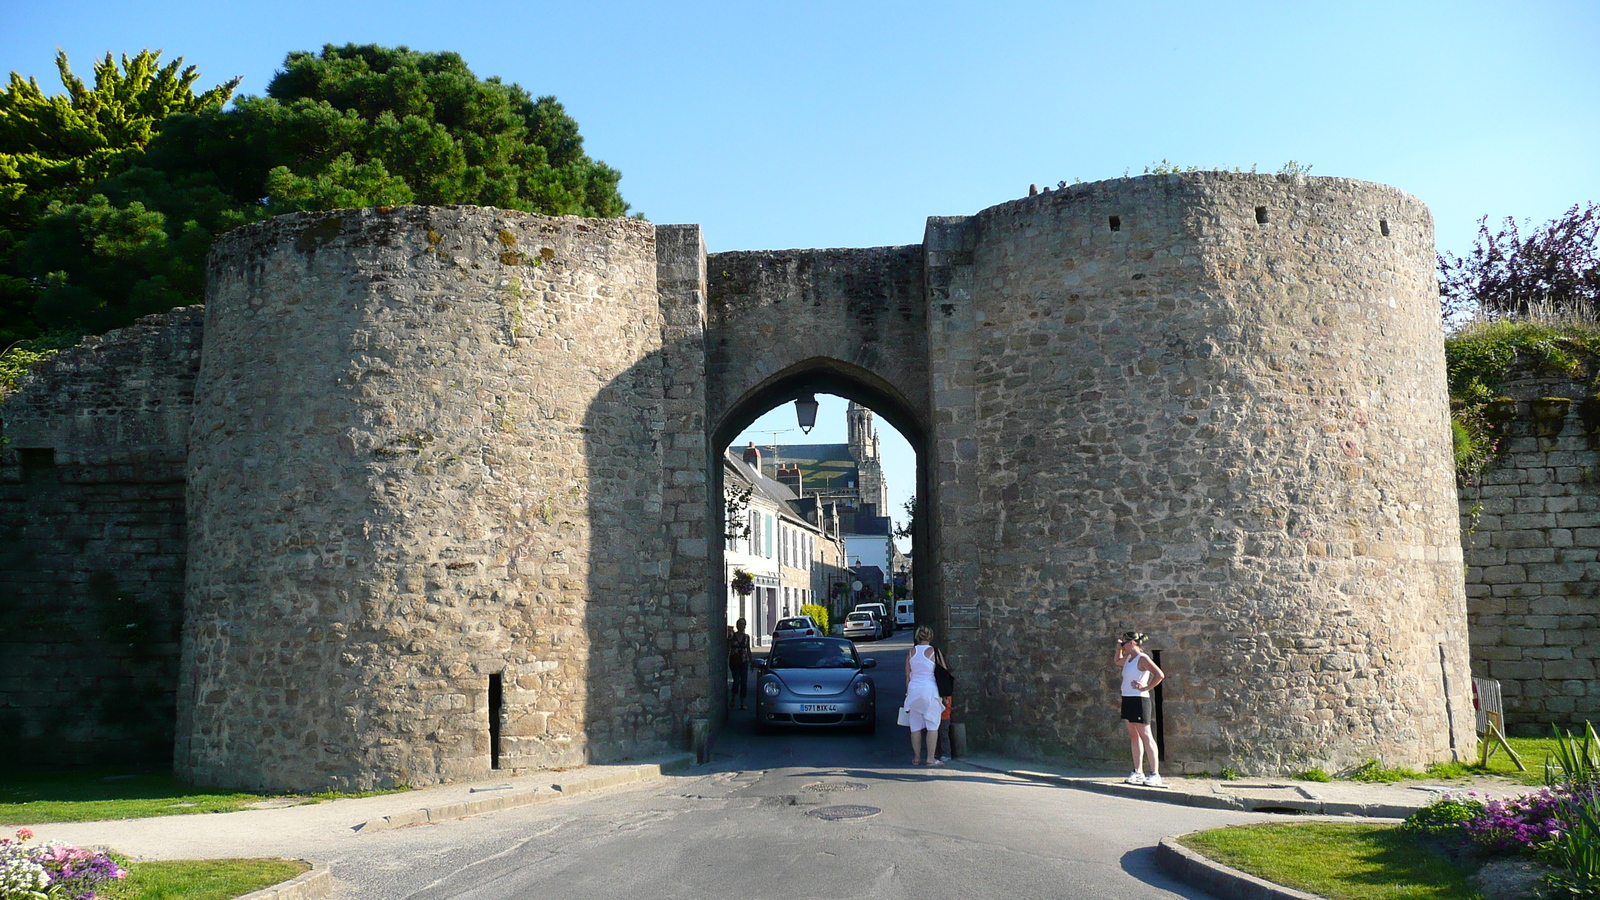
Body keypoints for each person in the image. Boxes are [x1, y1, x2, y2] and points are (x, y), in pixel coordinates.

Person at [1115, 631, 1165, 786]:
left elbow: (1159, 674)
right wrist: (1119, 649)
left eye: (1123, 643)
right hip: (1128, 698)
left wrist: (1146, 687)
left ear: (1131, 643)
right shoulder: (1129, 658)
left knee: (1145, 735)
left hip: (1139, 700)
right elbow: (1117, 661)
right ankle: (1138, 772)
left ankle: (1155, 774)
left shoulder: (1143, 658)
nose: (1121, 645)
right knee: (1133, 735)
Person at [904, 625, 945, 766]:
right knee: (932, 725)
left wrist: (908, 694)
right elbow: (943, 673)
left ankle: (916, 758)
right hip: (930, 691)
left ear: (917, 636)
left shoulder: (911, 652)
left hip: (914, 690)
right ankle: (930, 758)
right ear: (931, 636)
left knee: (915, 726)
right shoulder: (935, 652)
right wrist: (945, 695)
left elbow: (908, 676)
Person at [729, 618, 752, 709]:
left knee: (744, 683)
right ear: (737, 625)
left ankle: (742, 703)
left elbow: (748, 649)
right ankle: (733, 698)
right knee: (736, 681)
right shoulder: (732, 636)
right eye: (740, 624)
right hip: (734, 661)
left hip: (743, 662)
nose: (741, 626)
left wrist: (751, 661)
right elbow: (728, 647)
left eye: (743, 624)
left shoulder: (746, 637)